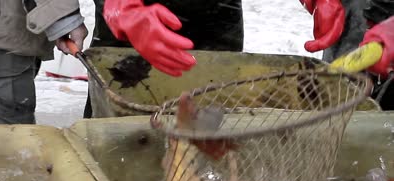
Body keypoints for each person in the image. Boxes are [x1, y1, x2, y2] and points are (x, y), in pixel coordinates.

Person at [84, 0, 393, 118]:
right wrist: (118, 4)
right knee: (124, 131)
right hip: (136, 19)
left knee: (214, 120)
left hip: (218, 13)